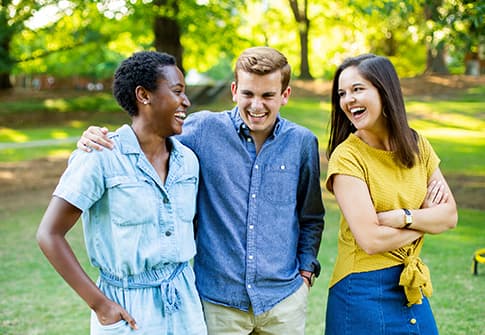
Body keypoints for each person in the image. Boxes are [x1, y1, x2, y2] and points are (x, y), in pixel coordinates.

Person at [77, 46, 325, 335]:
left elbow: (311, 215)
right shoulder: (202, 130)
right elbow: (150, 132)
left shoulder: (302, 143)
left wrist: (306, 273)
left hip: (283, 302)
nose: (257, 105)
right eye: (248, 94)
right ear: (234, 90)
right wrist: (97, 135)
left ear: (285, 95)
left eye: (267, 95)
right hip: (218, 301)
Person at [36, 51, 207, 335]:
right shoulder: (100, 156)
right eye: (177, 91)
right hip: (128, 309)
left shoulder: (188, 161)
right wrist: (101, 306)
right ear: (144, 95)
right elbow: (49, 234)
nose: (186, 101)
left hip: (184, 303)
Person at [324, 53, 458, 334]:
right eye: (342, 93)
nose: (348, 100)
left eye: (358, 89)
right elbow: (371, 240)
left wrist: (402, 217)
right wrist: (425, 221)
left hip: (410, 284)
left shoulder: (417, 144)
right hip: (361, 289)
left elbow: (449, 216)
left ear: (384, 91)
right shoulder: (347, 157)